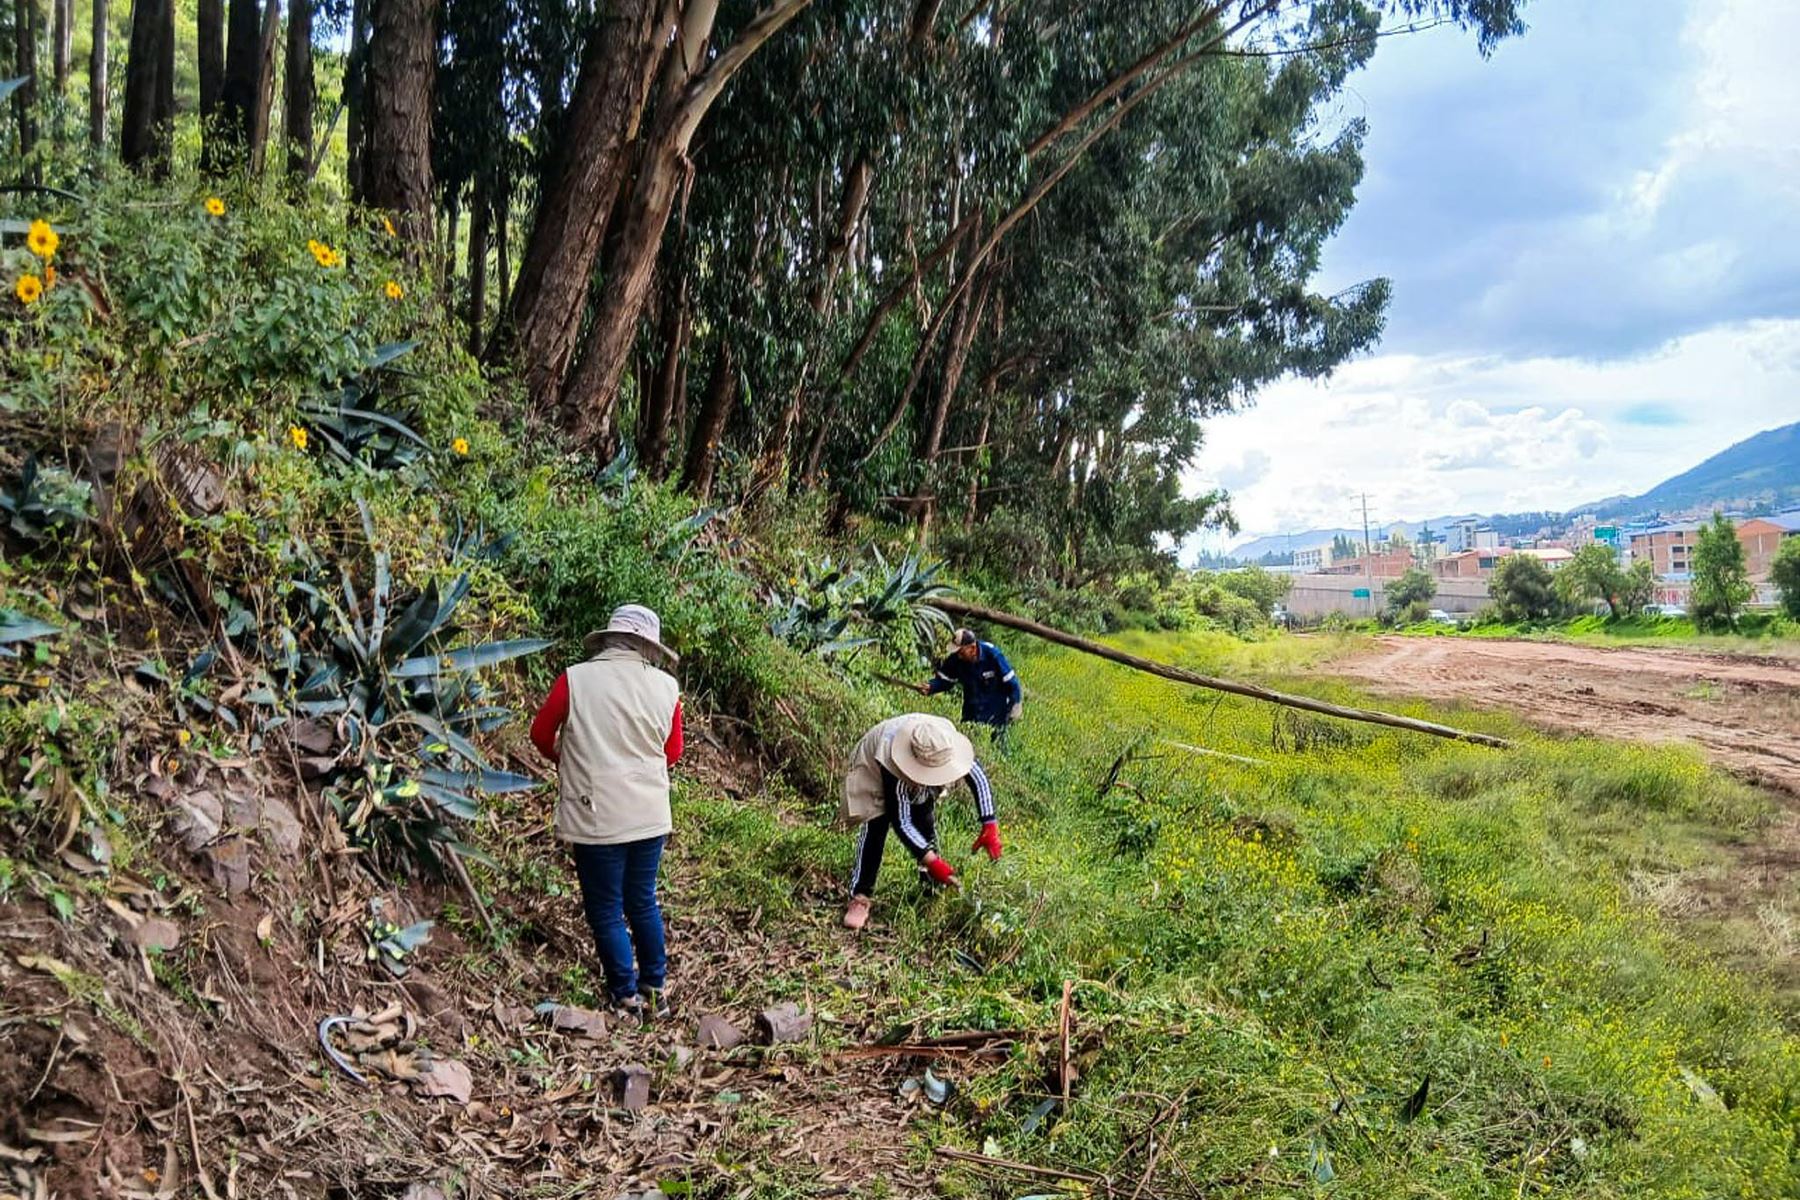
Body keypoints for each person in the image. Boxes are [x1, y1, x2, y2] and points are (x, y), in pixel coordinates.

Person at [530, 604, 683, 1020]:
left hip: (594, 810)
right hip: (649, 812)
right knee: (643, 900)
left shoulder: (575, 679)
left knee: (605, 908)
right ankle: (655, 989)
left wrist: (567, 759)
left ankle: (624, 996)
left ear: (609, 639)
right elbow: (673, 752)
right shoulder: (667, 687)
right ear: (648, 646)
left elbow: (541, 733)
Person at [840, 713, 1002, 930]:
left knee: (925, 819)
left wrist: (989, 825)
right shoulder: (892, 763)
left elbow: (978, 777)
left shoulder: (944, 744)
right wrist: (933, 862)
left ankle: (930, 888)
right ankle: (860, 896)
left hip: (919, 759)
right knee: (876, 825)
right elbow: (902, 821)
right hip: (874, 766)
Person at [920, 628, 1023, 735]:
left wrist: (1015, 706)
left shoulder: (993, 655)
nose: (959, 655)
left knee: (997, 747)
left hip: (996, 717)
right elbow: (945, 680)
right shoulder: (956, 659)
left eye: (961, 652)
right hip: (971, 715)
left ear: (973, 648)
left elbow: (1012, 683)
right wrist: (931, 687)